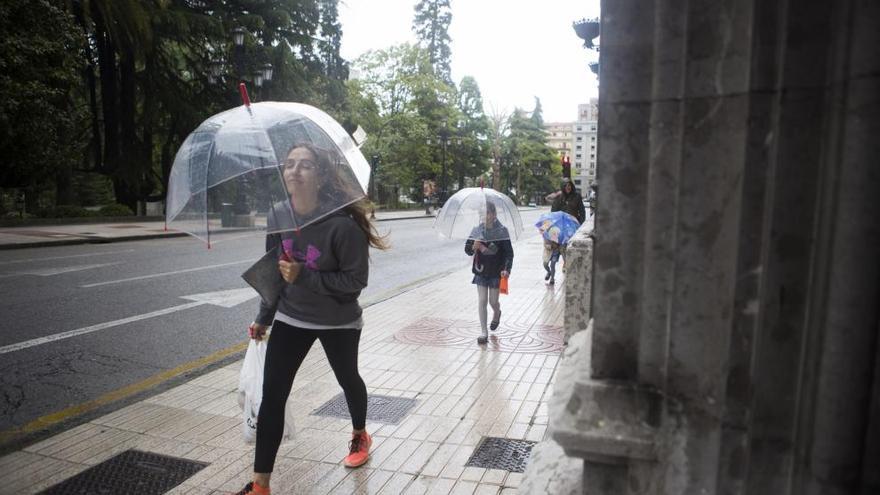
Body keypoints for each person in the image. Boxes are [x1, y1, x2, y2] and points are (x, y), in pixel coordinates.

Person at [237, 143, 388, 495]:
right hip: (292, 316)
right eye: (290, 164)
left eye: (305, 165)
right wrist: (264, 318)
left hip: (339, 320)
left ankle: (359, 434)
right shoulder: (278, 215)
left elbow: (353, 285)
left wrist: (303, 275)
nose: (295, 170)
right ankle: (261, 485)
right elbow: (273, 271)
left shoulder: (342, 225)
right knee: (272, 394)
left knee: (348, 378)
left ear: (320, 176)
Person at [464, 201, 514, 345]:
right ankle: (483, 332)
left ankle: (497, 313)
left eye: (487, 213)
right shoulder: (477, 230)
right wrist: (473, 247)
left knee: (493, 301)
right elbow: (467, 250)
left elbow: (508, 253)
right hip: (481, 270)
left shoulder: (502, 231)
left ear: (493, 214)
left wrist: (506, 269)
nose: (484, 216)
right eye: (482, 213)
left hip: (496, 271)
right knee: (482, 300)